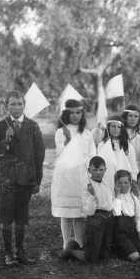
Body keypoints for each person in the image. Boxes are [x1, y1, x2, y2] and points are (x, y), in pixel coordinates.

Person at [0, 90, 45, 266]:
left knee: (21, 218)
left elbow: (39, 155)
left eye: (19, 103)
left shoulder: (33, 126)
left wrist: (37, 181)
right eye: (12, 104)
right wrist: (5, 141)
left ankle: (20, 252)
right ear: (7, 106)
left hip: (25, 179)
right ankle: (8, 254)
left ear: (24, 105)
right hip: (6, 180)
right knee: (6, 219)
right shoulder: (0, 125)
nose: (16, 107)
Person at [51, 99, 96, 252]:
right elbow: (59, 154)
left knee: (79, 213)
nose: (75, 116)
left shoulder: (87, 133)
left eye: (78, 112)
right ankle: (66, 244)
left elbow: (92, 154)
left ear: (82, 114)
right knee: (66, 213)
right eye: (72, 113)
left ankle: (79, 244)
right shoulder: (61, 131)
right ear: (66, 113)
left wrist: (90, 173)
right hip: (65, 175)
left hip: (81, 174)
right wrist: (66, 142)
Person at [67, 156, 114, 263]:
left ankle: (92, 250)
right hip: (94, 221)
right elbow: (89, 211)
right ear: (89, 170)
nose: (98, 173)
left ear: (105, 170)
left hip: (107, 220)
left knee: (105, 255)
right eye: (95, 170)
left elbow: (109, 204)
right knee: (91, 259)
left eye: (101, 170)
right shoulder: (87, 187)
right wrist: (92, 195)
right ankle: (71, 250)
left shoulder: (106, 184)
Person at [111, 169, 140, 262]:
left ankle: (132, 248)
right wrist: (117, 196)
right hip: (120, 233)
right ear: (116, 183)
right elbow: (116, 213)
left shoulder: (133, 197)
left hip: (132, 231)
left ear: (130, 183)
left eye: (126, 182)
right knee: (135, 257)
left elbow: (139, 216)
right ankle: (119, 250)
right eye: (120, 183)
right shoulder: (114, 197)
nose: (123, 185)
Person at [97, 115, 138, 189]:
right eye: (113, 126)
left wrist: (134, 180)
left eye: (118, 127)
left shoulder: (128, 146)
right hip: (107, 181)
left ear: (122, 129)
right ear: (108, 128)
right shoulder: (102, 145)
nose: (116, 129)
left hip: (124, 182)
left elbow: (133, 166)